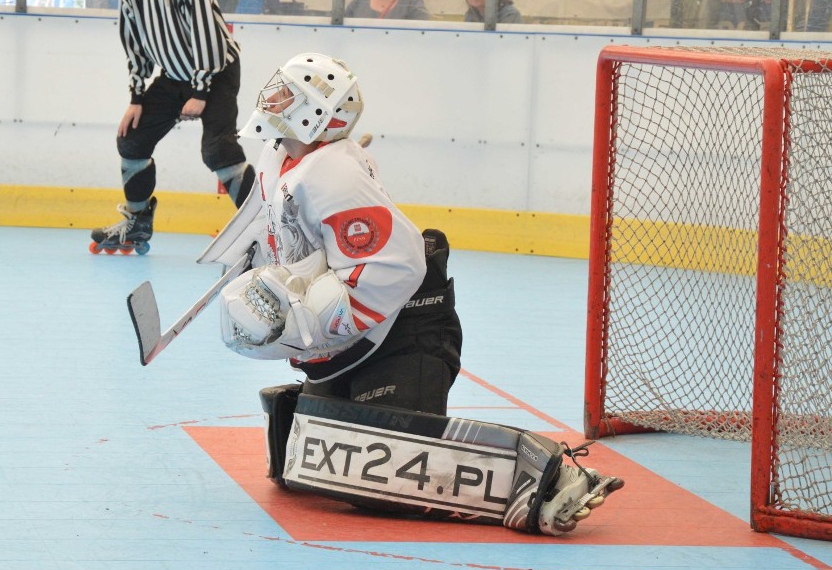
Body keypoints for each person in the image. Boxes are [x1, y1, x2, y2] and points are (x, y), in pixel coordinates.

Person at [198, 52, 624, 536]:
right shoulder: (282, 157)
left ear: (318, 113)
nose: (274, 98)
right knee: (306, 471)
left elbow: (392, 267)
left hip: (405, 331)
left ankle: (549, 476)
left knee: (388, 488)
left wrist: (299, 321)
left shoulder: (331, 175)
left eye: (290, 93)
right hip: (358, 344)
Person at [90, 0, 254, 255]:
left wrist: (201, 90)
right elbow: (134, 45)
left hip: (216, 71)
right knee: (132, 141)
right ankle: (136, 222)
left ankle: (263, 227)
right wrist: (136, 97)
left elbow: (208, 33)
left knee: (218, 151)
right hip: (175, 75)